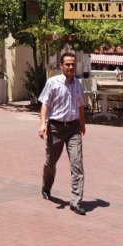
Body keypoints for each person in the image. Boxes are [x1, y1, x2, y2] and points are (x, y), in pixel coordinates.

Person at [38, 52, 86, 216]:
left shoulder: (79, 84)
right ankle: (46, 187)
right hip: (55, 129)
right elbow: (45, 104)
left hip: (73, 129)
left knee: (77, 164)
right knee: (50, 163)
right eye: (67, 64)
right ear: (61, 66)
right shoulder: (52, 83)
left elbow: (80, 106)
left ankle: (76, 202)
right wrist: (43, 124)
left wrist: (83, 124)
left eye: (73, 64)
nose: (71, 67)